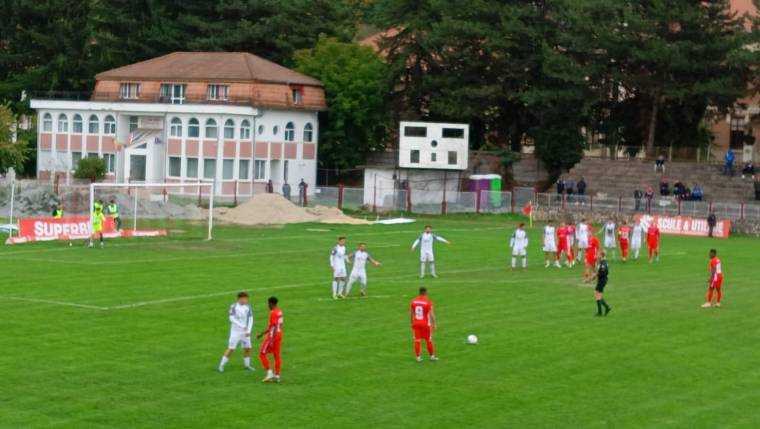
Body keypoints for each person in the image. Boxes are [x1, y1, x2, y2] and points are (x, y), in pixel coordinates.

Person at [218, 292, 254, 373]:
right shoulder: (233, 306)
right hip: (235, 332)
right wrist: (242, 326)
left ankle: (247, 365)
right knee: (231, 348)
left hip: (245, 332)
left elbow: (251, 319)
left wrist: (249, 330)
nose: (246, 300)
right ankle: (221, 365)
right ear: (239, 299)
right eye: (245, 298)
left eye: (246, 299)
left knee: (247, 348)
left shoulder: (248, 307)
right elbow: (231, 318)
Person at [257, 296, 283, 383]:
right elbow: (279, 325)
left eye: (268, 303)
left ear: (271, 304)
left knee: (262, 353)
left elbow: (273, 327)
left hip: (273, 336)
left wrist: (271, 339)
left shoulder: (273, 313)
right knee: (276, 355)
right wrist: (261, 334)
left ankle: (269, 373)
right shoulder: (279, 311)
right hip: (279, 335)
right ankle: (277, 375)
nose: (267, 305)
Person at [410, 287, 437, 362]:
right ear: (425, 292)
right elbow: (431, 314)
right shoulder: (428, 302)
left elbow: (412, 313)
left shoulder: (413, 301)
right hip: (425, 324)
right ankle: (432, 356)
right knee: (428, 340)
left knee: (417, 340)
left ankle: (418, 358)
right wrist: (434, 323)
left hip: (416, 323)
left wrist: (411, 322)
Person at [590, 251, 612, 316]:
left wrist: (592, 278)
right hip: (602, 280)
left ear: (601, 255)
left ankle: (603, 310)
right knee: (597, 295)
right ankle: (604, 309)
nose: (597, 256)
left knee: (597, 295)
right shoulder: (601, 262)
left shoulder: (603, 263)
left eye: (598, 254)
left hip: (602, 280)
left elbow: (601, 273)